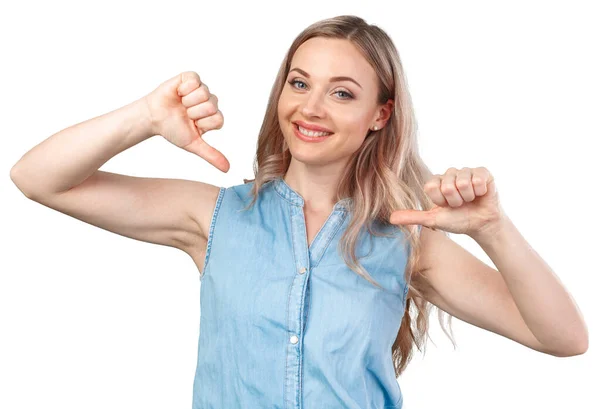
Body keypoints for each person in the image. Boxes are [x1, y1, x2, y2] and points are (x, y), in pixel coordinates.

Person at [10, 14, 588, 409]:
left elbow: (563, 338)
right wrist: (144, 117)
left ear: (380, 115)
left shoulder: (406, 241)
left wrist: (493, 228)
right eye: (299, 82)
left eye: (342, 92)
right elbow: (36, 179)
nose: (310, 107)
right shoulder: (214, 217)